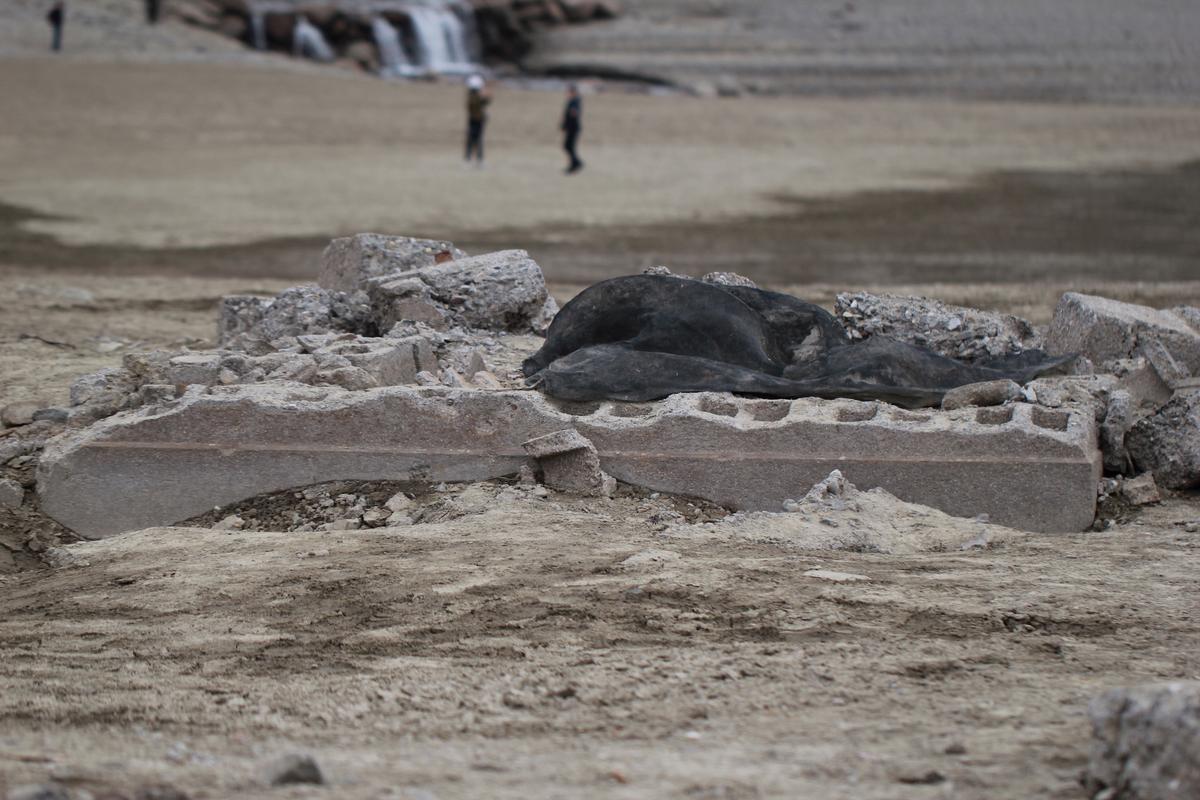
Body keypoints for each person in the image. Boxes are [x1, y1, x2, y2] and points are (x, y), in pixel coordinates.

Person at [464, 74, 490, 167]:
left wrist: (485, 95)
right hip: (475, 120)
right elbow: (479, 103)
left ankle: (478, 159)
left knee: (477, 140)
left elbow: (487, 101)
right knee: (472, 139)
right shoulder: (473, 97)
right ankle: (469, 159)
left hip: (479, 120)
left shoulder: (475, 96)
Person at [561, 83, 583, 174]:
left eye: (569, 91)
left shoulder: (575, 101)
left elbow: (574, 114)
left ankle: (575, 164)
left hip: (573, 128)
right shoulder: (573, 100)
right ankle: (576, 163)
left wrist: (572, 114)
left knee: (569, 146)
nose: (568, 93)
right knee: (567, 146)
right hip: (571, 127)